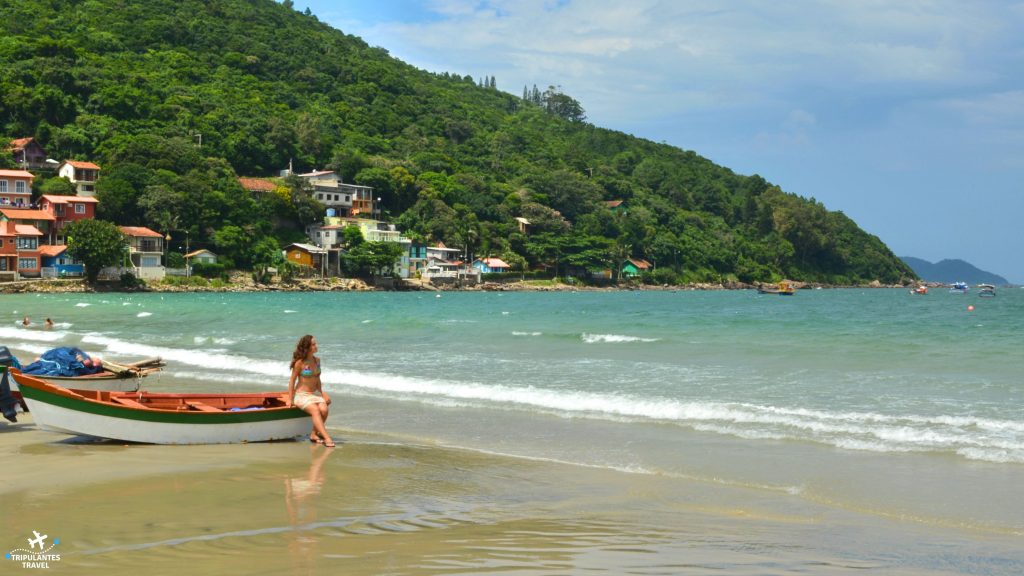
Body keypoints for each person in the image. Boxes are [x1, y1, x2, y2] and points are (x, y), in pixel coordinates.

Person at [287, 335, 334, 447]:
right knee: (315, 410)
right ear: (307, 347)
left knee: (324, 409)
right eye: (313, 344)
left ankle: (314, 434)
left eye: (315, 344)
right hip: (301, 395)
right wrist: (290, 399)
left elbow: (317, 379)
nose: (316, 346)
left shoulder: (317, 361)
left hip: (313, 394)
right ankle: (327, 438)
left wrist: (322, 393)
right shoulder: (300, 363)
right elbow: (292, 381)